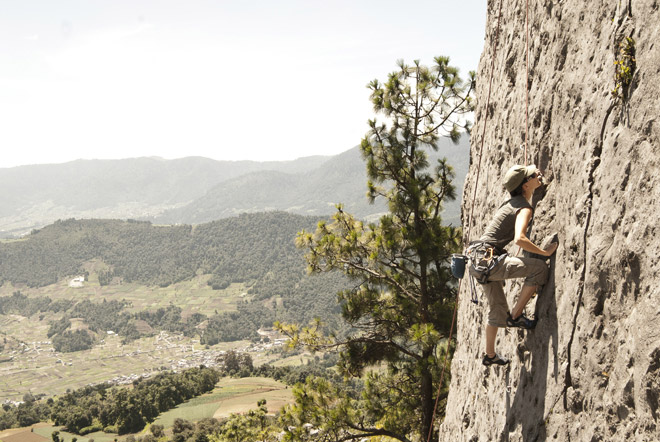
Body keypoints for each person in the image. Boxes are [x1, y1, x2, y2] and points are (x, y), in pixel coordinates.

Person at [469, 164, 558, 366]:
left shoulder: (511, 203)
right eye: (535, 175)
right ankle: (516, 316)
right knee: (540, 268)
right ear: (525, 185)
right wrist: (543, 252)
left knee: (497, 310)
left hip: (478, 261)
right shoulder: (523, 208)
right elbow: (519, 239)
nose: (539, 174)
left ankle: (490, 355)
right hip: (490, 262)